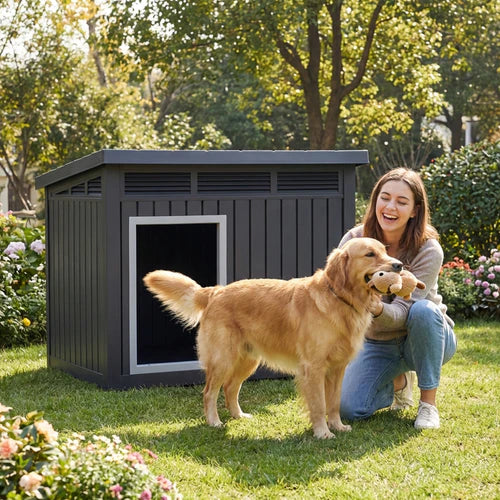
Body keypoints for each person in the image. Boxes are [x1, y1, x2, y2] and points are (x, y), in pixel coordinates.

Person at [339, 167, 457, 429]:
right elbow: (336, 289)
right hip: (377, 341)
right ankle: (397, 381)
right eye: (385, 197)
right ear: (375, 200)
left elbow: (405, 312)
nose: (390, 207)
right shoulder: (354, 240)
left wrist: (376, 309)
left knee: (424, 310)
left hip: (426, 339)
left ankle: (428, 405)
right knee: (347, 408)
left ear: (415, 210)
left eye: (402, 202)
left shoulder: (428, 249)